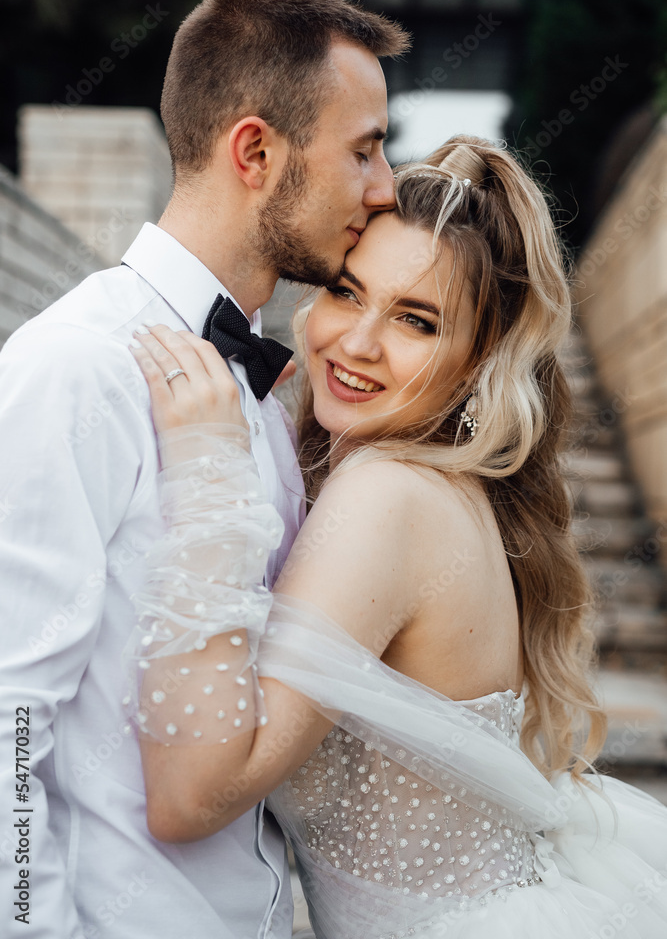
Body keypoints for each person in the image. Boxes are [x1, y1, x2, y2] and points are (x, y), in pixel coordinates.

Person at [126, 135, 667, 939]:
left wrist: (206, 469)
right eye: (347, 293)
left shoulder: (388, 497)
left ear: (478, 363)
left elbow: (187, 795)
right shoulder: (438, 488)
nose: (356, 343)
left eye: (415, 320)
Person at [0, 0, 409, 939]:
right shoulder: (79, 367)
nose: (385, 187)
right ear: (256, 151)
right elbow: (7, 712)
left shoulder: (264, 400)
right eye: (364, 149)